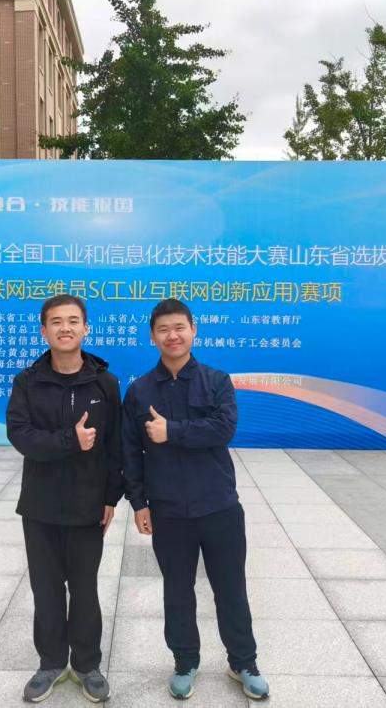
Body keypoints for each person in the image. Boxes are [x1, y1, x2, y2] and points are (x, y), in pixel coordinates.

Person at [121, 298, 268, 702]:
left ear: (193, 331)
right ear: (152, 337)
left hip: (219, 505)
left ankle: (243, 662)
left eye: (179, 327)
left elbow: (223, 429)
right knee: (177, 590)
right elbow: (129, 450)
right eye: (164, 329)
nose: (173, 336)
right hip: (168, 510)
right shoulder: (139, 391)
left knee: (231, 588)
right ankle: (185, 661)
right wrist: (138, 502)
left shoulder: (217, 381)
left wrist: (173, 431)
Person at [6, 295, 123, 703]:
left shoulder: (105, 384)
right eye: (56, 321)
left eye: (73, 320)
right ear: (44, 331)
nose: (65, 328)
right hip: (39, 506)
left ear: (86, 328)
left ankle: (87, 664)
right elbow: (21, 436)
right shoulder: (27, 381)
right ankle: (51, 662)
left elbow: (115, 446)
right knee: (46, 589)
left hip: (88, 506)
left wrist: (111, 497)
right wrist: (69, 440)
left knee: (85, 590)